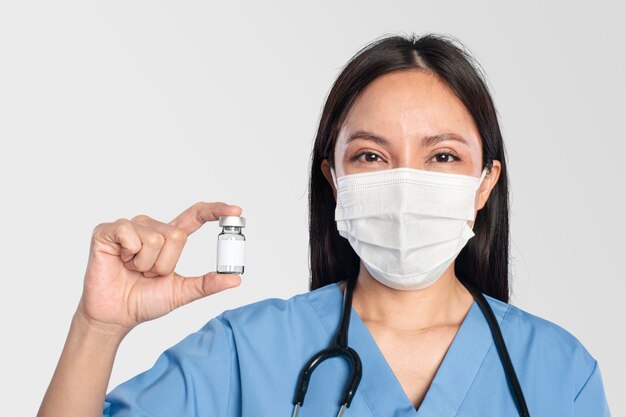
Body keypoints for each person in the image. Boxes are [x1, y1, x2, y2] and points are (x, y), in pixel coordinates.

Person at [37, 33, 612, 417]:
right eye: (370, 156)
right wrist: (99, 327)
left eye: (441, 156)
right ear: (334, 178)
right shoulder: (249, 353)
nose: (404, 183)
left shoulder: (559, 372)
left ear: (485, 182)